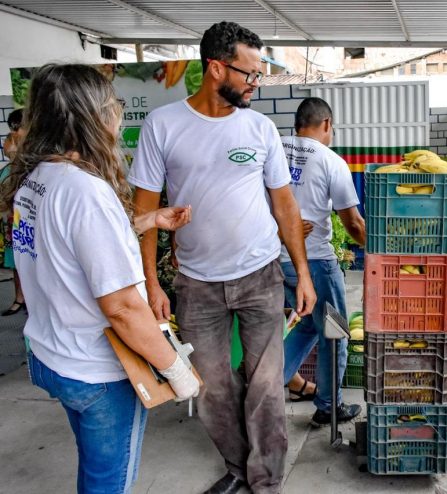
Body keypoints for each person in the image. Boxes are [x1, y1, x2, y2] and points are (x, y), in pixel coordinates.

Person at [129, 21, 316, 494]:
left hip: (260, 276)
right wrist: (151, 284)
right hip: (196, 284)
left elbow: (285, 205)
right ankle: (238, 468)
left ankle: (266, 481)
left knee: (267, 385)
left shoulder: (259, 128)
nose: (256, 83)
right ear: (216, 68)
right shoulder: (163, 126)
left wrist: (304, 273)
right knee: (209, 388)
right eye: (250, 73)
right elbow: (144, 212)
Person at [1, 63, 199, 493]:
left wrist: (144, 221)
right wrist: (174, 368)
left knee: (94, 473)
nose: (119, 116)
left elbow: (65, 248)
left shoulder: (37, 178)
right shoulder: (87, 192)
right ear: (93, 116)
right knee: (109, 484)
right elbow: (123, 307)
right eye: (115, 106)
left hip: (52, 354)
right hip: (98, 370)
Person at [280, 97, 366, 426]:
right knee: (335, 332)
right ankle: (329, 405)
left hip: (278, 260)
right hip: (315, 262)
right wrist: (380, 250)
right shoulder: (330, 160)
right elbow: (354, 225)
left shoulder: (273, 150)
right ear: (327, 124)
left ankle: (267, 389)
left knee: (305, 324)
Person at [2, 108, 26, 315]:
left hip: (30, 222)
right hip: (13, 221)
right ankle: (20, 299)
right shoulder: (9, 169)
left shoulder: (36, 162)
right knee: (15, 262)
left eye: (17, 128)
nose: (14, 134)